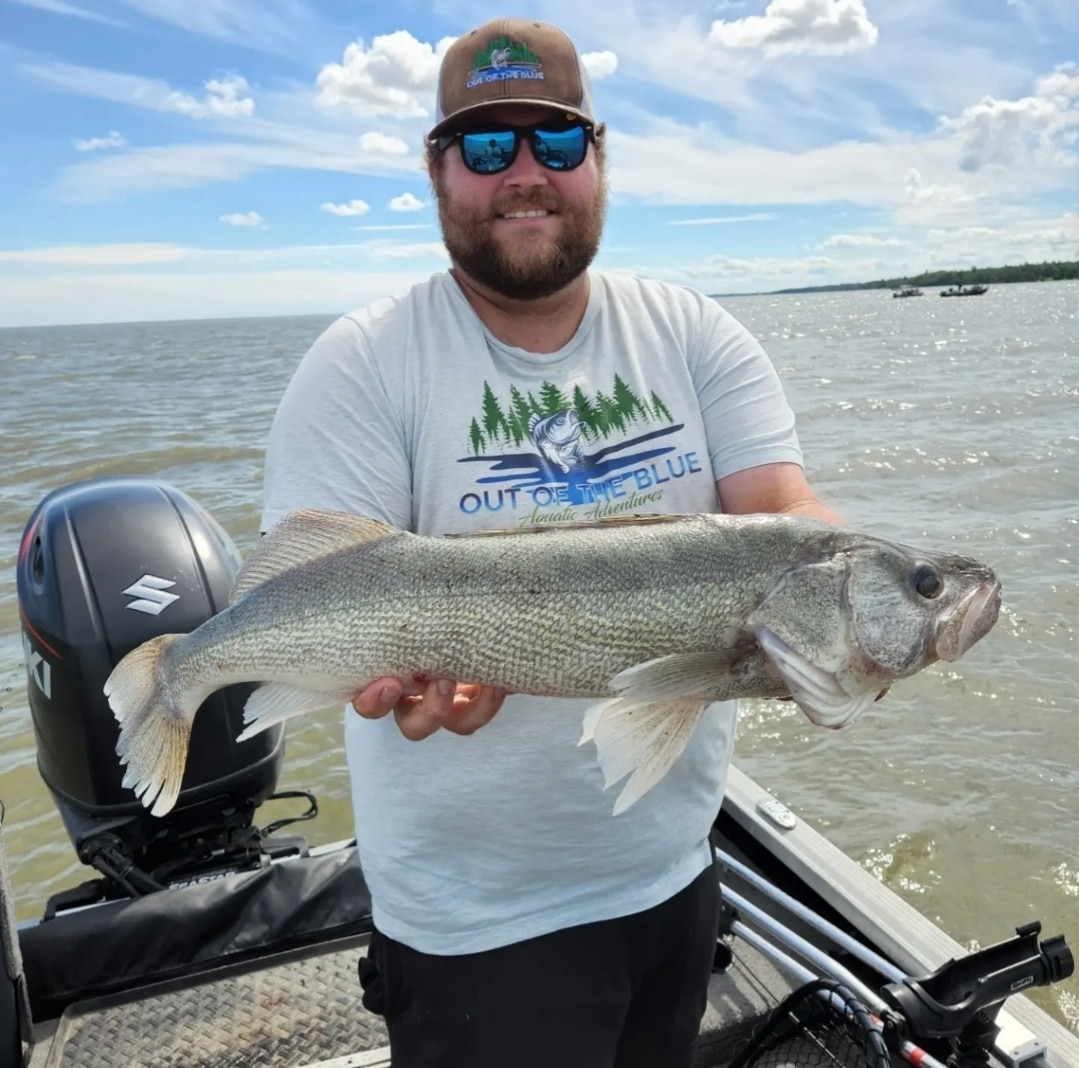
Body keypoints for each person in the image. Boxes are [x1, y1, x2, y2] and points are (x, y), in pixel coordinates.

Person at [261, 16, 842, 1068]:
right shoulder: (360, 363)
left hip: (671, 871)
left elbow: (786, 512)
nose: (522, 174)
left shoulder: (694, 332)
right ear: (439, 170)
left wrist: (867, 605)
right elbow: (321, 587)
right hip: (473, 921)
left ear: (598, 158)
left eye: (554, 143)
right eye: (487, 147)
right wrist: (388, 672)